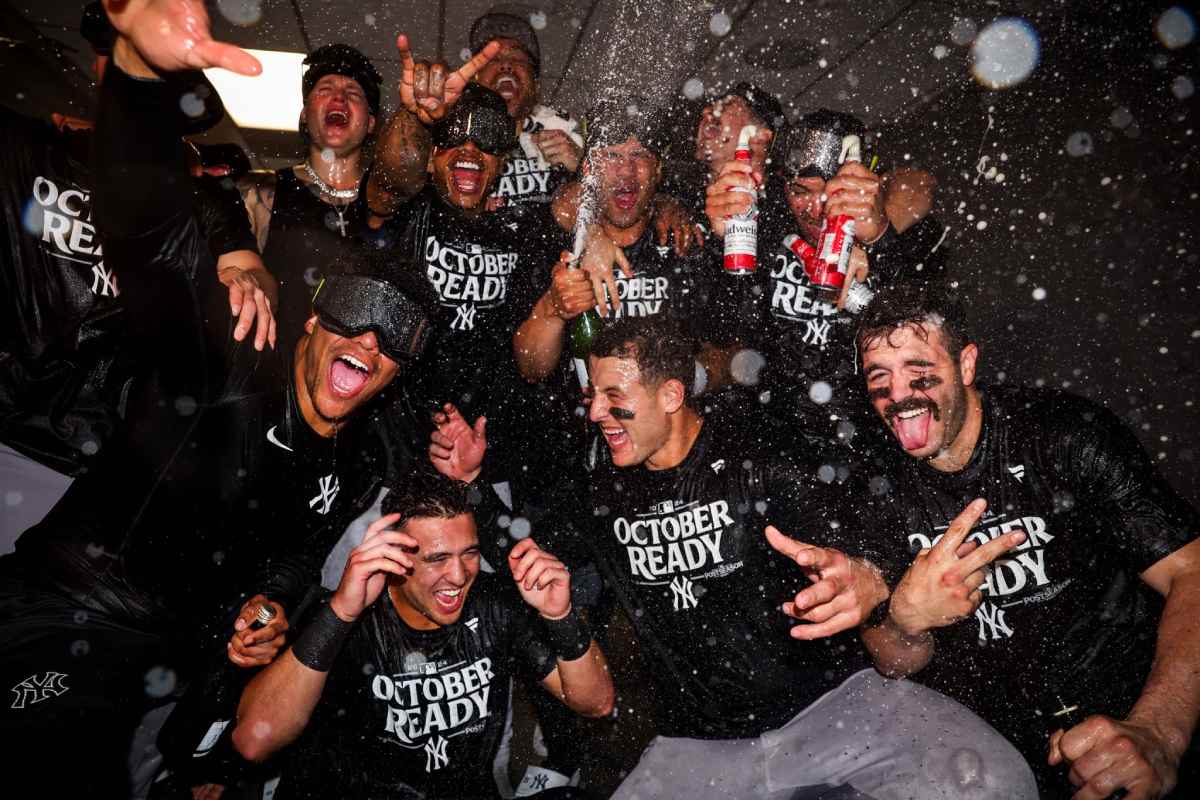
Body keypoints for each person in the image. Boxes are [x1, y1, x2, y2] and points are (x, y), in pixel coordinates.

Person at [0, 5, 428, 795]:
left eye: (395, 343)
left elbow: (299, 549)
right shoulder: (231, 354)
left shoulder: (352, 452)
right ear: (313, 322)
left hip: (166, 651)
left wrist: (271, 600)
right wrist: (136, 78)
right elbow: (150, 235)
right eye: (358, 320)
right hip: (70, 611)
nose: (371, 346)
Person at [443, 314, 1038, 799]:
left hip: (830, 709)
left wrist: (876, 588)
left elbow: (860, 549)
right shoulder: (599, 485)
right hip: (698, 748)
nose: (596, 411)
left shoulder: (761, 461)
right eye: (593, 394)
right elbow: (529, 550)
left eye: (614, 395)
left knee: (993, 780)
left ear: (671, 395)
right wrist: (472, 486)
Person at [852, 283, 1200, 798]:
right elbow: (891, 661)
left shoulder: (1061, 435)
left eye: (918, 369)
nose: (900, 394)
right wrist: (905, 622)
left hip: (1133, 712)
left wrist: (1159, 733)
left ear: (966, 365)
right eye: (880, 377)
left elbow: (1190, 572)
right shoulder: (870, 487)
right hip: (987, 757)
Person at [0, 1, 275, 549]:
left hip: (116, 460)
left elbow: (251, 270)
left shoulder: (199, 201)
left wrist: (248, 286)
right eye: (122, 65)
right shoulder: (37, 152)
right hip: (15, 433)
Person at [232, 472, 614, 799]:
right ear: (396, 557)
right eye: (436, 558)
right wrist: (342, 613)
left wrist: (559, 615)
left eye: (469, 554)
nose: (460, 575)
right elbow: (253, 742)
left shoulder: (493, 604)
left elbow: (596, 704)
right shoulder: (351, 616)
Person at [703, 108, 944, 436]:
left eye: (832, 192)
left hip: (872, 442)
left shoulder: (886, 233)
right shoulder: (769, 230)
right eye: (800, 191)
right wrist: (719, 244)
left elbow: (926, 332)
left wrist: (875, 238)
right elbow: (729, 328)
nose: (815, 210)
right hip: (778, 438)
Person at [513, 97, 720, 393]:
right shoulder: (557, 242)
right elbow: (531, 368)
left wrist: (674, 384)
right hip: (578, 430)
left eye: (639, 155)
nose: (626, 171)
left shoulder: (684, 241)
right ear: (588, 170)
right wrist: (553, 308)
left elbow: (728, 356)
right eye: (611, 156)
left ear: (658, 170)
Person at [238, 42, 384, 354]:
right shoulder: (263, 192)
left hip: (367, 382)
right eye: (325, 89)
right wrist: (242, 280)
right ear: (305, 115)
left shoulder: (388, 202)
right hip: (279, 381)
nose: (339, 97)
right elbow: (241, 268)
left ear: (371, 123)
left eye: (354, 93)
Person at [467, 12, 584, 209]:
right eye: (493, 59)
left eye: (518, 58)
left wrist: (580, 168)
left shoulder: (566, 134)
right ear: (474, 80)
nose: (506, 65)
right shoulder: (452, 140)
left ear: (536, 86)